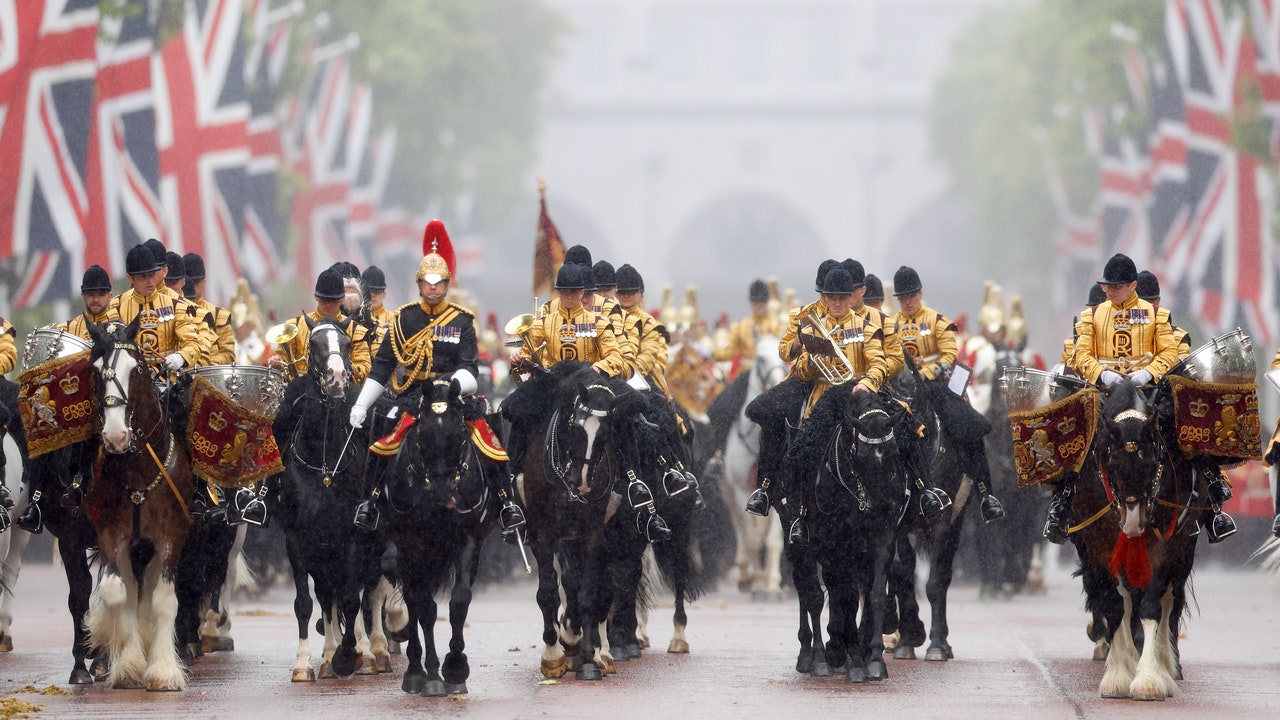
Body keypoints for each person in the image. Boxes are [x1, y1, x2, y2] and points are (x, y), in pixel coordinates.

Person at [350, 220, 525, 534]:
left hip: (454, 393)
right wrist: (361, 404)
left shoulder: (461, 320)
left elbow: (470, 366)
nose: (433, 287)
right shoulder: (403, 319)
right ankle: (370, 501)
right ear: (419, 283)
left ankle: (505, 501)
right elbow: (381, 368)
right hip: (414, 393)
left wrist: (455, 384)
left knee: (488, 433)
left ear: (446, 283)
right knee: (384, 432)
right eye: (427, 282)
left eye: (438, 281)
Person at [507, 263, 673, 540]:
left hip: (592, 384)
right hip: (555, 385)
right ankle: (510, 486)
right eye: (565, 292)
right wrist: (520, 360)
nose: (570, 296)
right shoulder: (544, 322)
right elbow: (528, 351)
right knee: (511, 409)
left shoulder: (599, 321)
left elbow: (616, 357)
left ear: (582, 291)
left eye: (574, 292)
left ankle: (634, 482)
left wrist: (597, 369)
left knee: (633, 408)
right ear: (558, 292)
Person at [1044, 253, 1180, 543]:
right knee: (1074, 432)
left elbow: (1170, 353)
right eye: (1106, 286)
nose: (1109, 291)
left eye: (1116, 286)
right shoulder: (1091, 316)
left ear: (1133, 285)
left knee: (1177, 426)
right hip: (1104, 391)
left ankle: (1209, 495)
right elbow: (1081, 354)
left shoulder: (1157, 315)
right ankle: (1062, 500)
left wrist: (1148, 373)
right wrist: (1102, 374)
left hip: (1146, 391)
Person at [783, 265, 888, 544]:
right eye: (832, 297)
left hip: (859, 395)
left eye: (843, 296)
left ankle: (916, 493)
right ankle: (801, 516)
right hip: (825, 396)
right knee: (803, 450)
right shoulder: (812, 326)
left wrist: (867, 383)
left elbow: (879, 363)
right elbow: (802, 371)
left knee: (899, 432)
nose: (838, 303)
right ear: (825, 297)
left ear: (852, 296)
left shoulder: (868, 326)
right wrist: (809, 358)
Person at [1136, 269, 1235, 542]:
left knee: (1190, 433)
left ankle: (1211, 501)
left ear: (1157, 302)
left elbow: (1179, 370)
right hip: (1128, 404)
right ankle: (1068, 502)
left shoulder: (1176, 335)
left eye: (1149, 302)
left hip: (1163, 405)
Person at [14, 266, 115, 532]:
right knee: (42, 432)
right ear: (83, 295)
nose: (96, 299)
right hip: (75, 410)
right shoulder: (67, 329)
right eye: (91, 294)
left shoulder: (121, 328)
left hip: (112, 406)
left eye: (101, 293)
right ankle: (35, 504)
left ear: (110, 295)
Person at [743, 259, 839, 518]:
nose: (831, 298)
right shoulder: (803, 314)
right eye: (827, 293)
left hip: (843, 382)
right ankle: (765, 486)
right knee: (765, 409)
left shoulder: (852, 318)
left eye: (837, 293)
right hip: (802, 378)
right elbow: (784, 351)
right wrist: (798, 343)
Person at [614, 263, 702, 508]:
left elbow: (653, 356)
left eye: (631, 292)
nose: (626, 297)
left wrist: (626, 367)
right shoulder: (605, 320)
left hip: (642, 381)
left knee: (664, 416)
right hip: (610, 379)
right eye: (621, 292)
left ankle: (675, 472)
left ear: (641, 294)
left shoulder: (651, 325)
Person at [273, 269, 372, 385]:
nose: (328, 304)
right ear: (316, 297)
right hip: (299, 394)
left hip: (341, 392)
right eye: (324, 299)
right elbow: (282, 358)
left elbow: (364, 370)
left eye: (333, 300)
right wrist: (277, 362)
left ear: (342, 299)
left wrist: (341, 369)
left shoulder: (356, 331)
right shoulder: (294, 326)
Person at [712, 279, 785, 375]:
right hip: (747, 373)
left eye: (762, 302)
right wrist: (711, 353)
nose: (759, 306)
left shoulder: (778, 326)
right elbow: (728, 352)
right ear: (750, 302)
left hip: (770, 372)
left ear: (768, 301)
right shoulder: (740, 327)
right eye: (755, 302)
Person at [182, 253, 235, 366]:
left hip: (210, 378)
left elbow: (229, 355)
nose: (191, 287)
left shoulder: (220, 315)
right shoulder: (170, 310)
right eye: (187, 282)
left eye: (195, 283)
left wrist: (201, 365)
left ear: (204, 283)